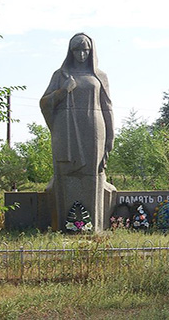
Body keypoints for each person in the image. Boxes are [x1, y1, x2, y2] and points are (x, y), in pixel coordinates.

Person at [40, 33, 115, 230]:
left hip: (94, 130)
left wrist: (110, 138)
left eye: (85, 50)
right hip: (67, 132)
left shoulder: (100, 76)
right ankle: (65, 225)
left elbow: (107, 107)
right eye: (77, 50)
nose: (81, 54)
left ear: (91, 52)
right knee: (65, 174)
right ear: (70, 52)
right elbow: (45, 103)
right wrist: (63, 91)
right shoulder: (60, 76)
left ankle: (95, 226)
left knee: (94, 173)